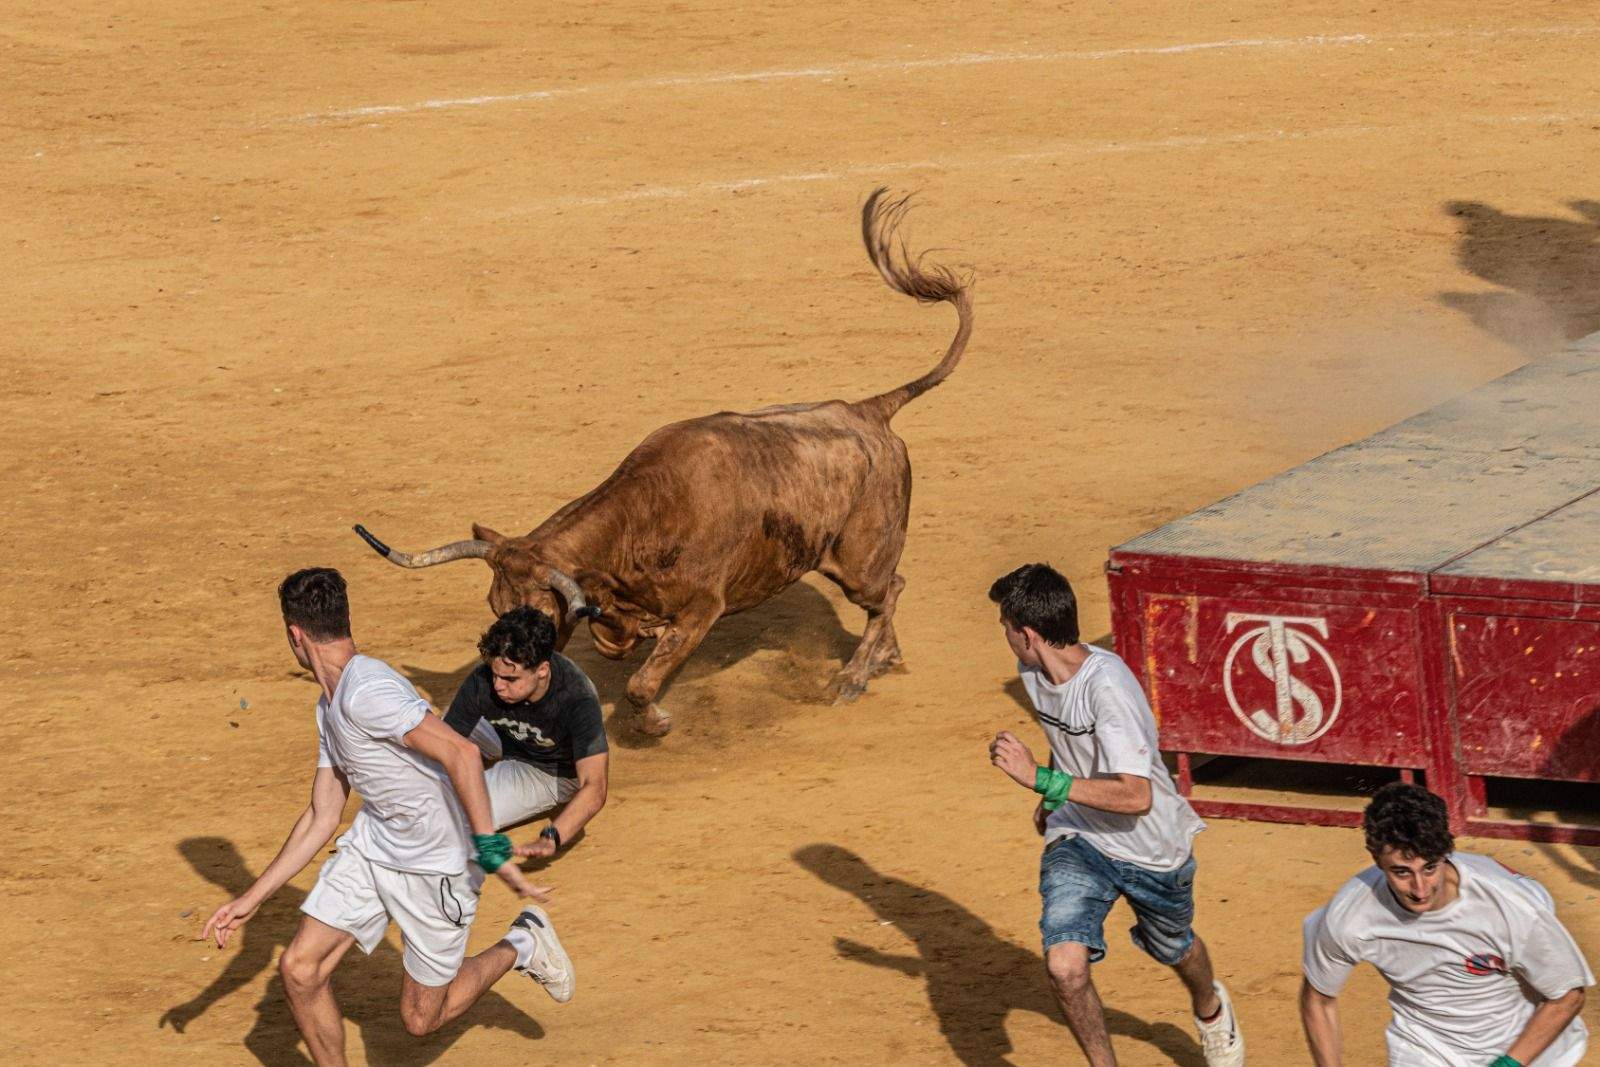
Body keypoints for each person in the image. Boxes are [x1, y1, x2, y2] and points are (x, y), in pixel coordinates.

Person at [202, 568, 575, 1067]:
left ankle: (523, 943)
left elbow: (463, 756)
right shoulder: (328, 705)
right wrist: (251, 897)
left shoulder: (367, 691)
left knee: (422, 1019)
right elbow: (323, 813)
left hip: (438, 863)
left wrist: (489, 848)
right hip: (377, 845)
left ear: (294, 634)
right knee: (300, 970)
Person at [985, 562, 1244, 1067]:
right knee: (1065, 967)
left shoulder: (1109, 691)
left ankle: (1211, 1010)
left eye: (1007, 628)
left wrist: (1042, 780)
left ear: (1029, 634)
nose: (1006, 637)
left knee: (1175, 948)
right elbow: (1068, 739)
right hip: (1080, 837)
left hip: (1150, 847)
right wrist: (1054, 799)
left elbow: (1137, 796)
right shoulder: (1033, 672)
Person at [1301, 782, 1593, 1066]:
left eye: (1429, 868)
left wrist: (1508, 1064)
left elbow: (1567, 995)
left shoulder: (1510, 907)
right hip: (1425, 1048)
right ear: (1376, 859)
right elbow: (1319, 999)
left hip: (1527, 1048)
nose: (1420, 889)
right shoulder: (1351, 914)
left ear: (1446, 853)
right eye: (1402, 872)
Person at [442, 605, 609, 856]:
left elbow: (594, 786)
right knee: (434, 728)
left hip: (546, 769)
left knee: (456, 815)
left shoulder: (577, 697)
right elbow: (443, 740)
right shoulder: (488, 679)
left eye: (510, 679)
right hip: (504, 735)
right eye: (494, 674)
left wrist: (552, 837)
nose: (497, 685)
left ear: (542, 670)